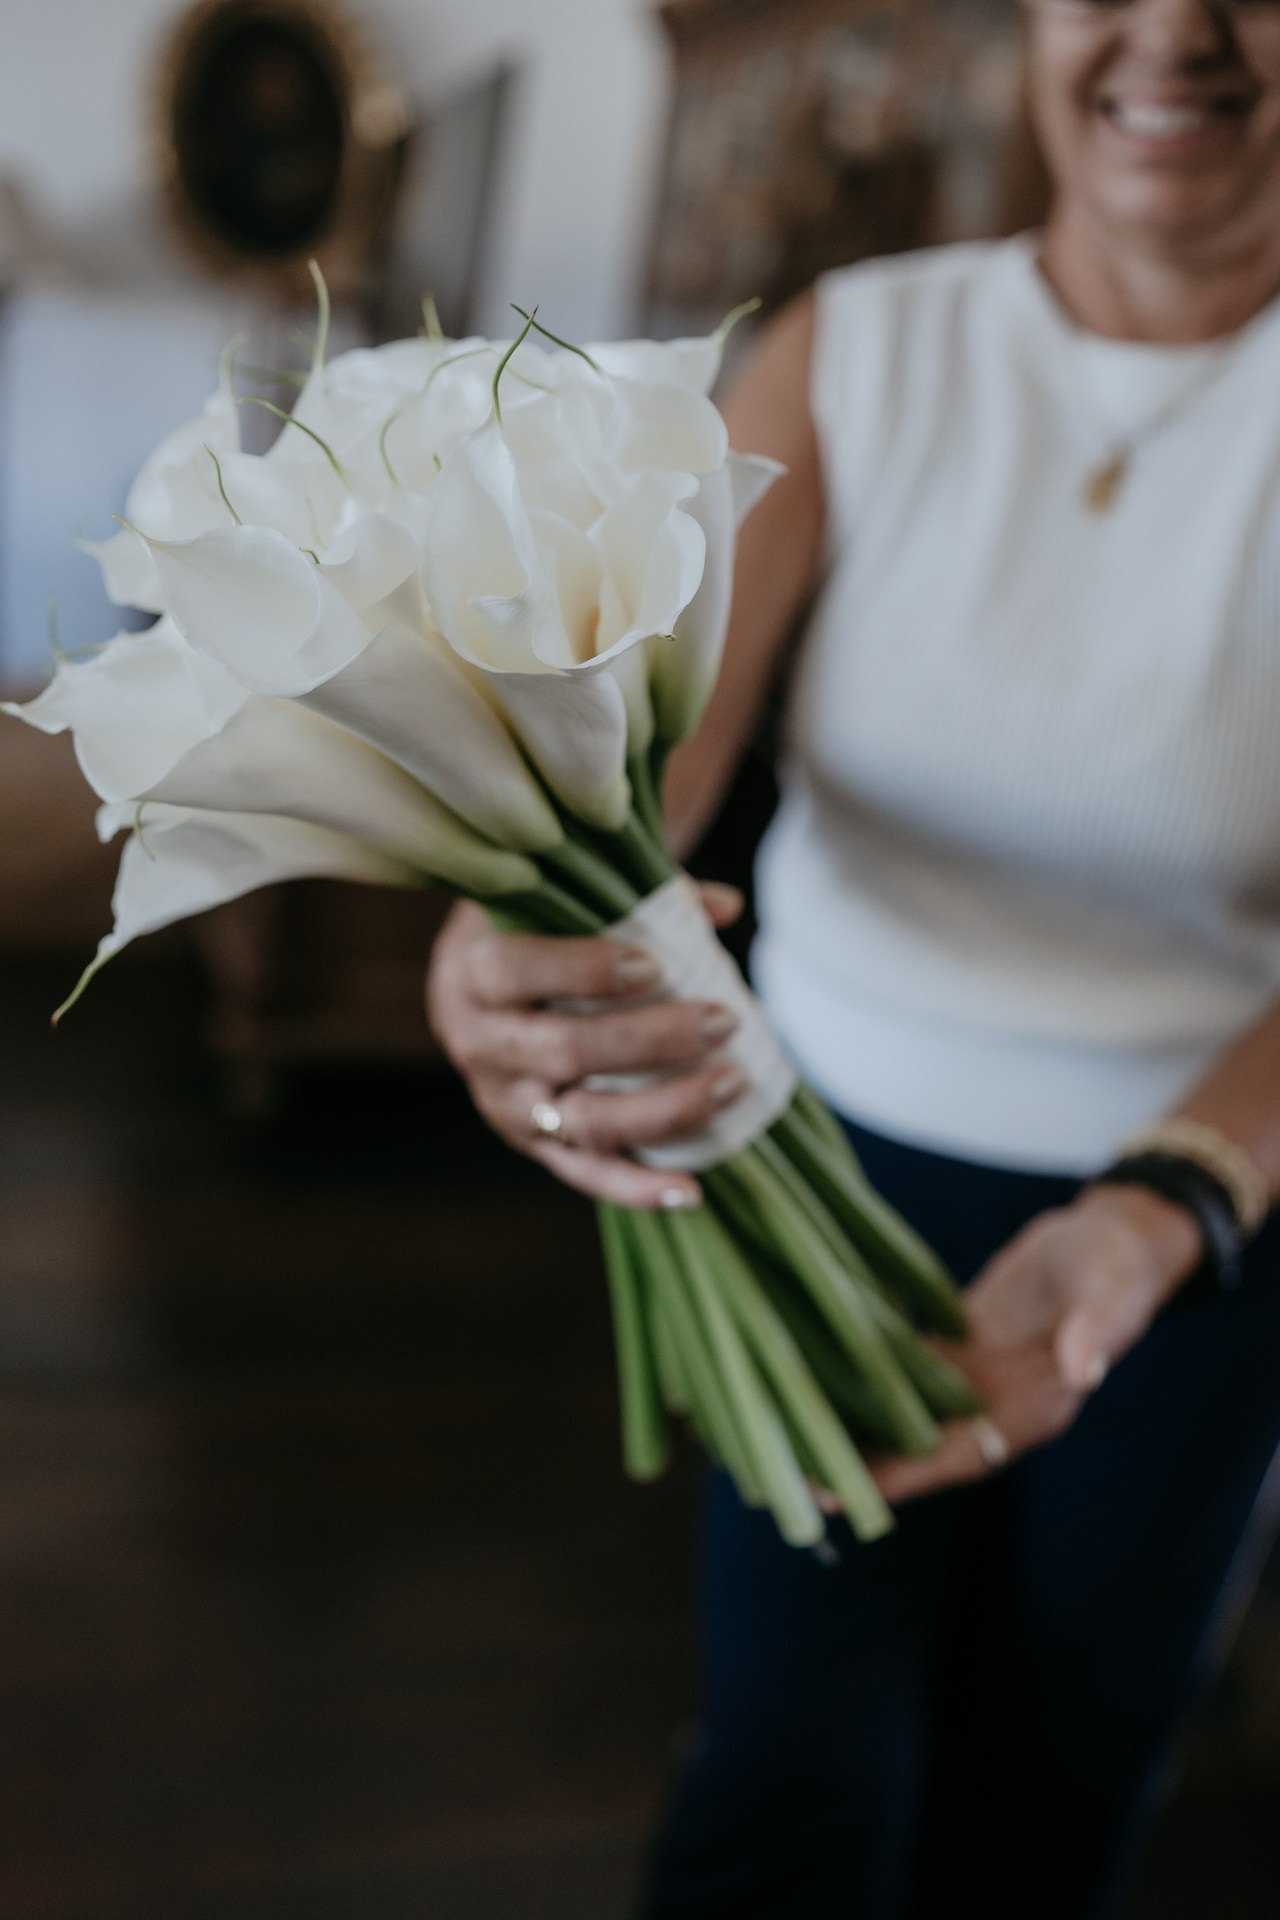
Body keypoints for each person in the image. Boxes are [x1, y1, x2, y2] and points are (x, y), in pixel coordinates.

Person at [426, 0, 1280, 1912]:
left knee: (1058, 1768)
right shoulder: (860, 346)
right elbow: (642, 761)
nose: (1178, 35)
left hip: (1206, 1210)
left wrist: (1161, 1211)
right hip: (807, 1164)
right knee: (786, 1763)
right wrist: (514, 930)